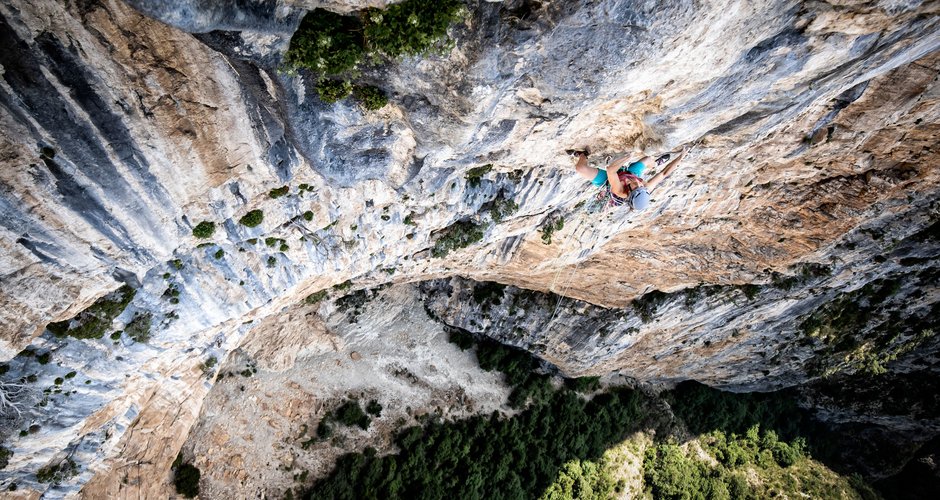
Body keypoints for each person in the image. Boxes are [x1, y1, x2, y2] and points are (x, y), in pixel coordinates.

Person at [572, 146, 689, 210]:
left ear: (629, 191)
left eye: (636, 187)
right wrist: (681, 157)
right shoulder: (644, 188)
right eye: (641, 186)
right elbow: (664, 174)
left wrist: (628, 157)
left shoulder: (619, 190)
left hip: (608, 181)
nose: (638, 184)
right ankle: (655, 163)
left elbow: (610, 170)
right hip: (629, 173)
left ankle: (583, 154)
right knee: (648, 159)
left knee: (580, 168)